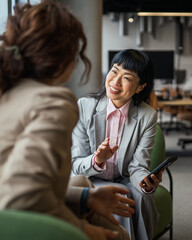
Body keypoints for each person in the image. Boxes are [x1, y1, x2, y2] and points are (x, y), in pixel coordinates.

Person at [0, 2, 136, 240]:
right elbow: (20, 199)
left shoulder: (8, 92)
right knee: (119, 235)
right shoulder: (53, 102)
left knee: (82, 183)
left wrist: (84, 198)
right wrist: (85, 231)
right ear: (67, 57)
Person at [71, 49, 163, 240]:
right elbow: (76, 164)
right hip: (90, 177)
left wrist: (146, 182)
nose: (115, 81)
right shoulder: (85, 106)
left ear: (140, 87)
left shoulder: (147, 116)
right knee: (119, 197)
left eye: (127, 77)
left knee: (141, 194)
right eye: (114, 71)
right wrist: (96, 160)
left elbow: (138, 166)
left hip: (124, 177)